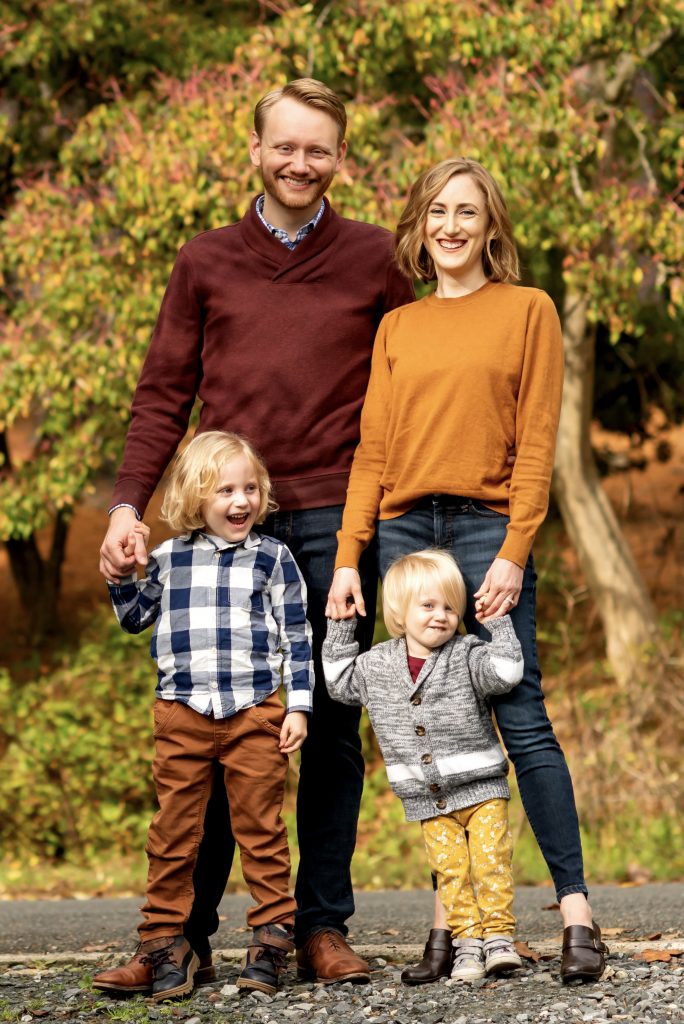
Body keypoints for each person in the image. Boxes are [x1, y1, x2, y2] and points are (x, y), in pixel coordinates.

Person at [96, 78, 415, 992]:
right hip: (222, 525)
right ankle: (181, 937)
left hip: (336, 523)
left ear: (339, 159)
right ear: (256, 150)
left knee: (329, 730)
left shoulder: (373, 260)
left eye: (318, 149)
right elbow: (162, 394)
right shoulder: (204, 263)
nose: (300, 163)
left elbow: (406, 383)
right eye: (285, 146)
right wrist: (128, 506)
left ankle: (316, 928)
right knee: (216, 720)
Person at [327, 157, 608, 985]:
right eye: (438, 211)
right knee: (434, 727)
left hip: (486, 527)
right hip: (405, 527)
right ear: (420, 224)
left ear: (492, 228)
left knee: (520, 716)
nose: (451, 226)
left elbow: (537, 442)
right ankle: (450, 926)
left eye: (469, 213)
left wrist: (516, 550)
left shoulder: (529, 311)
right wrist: (349, 557)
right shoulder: (398, 328)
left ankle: (576, 915)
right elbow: (372, 451)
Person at [96, 431, 313, 1000]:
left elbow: (297, 636)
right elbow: (135, 618)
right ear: (195, 496)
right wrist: (121, 575)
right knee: (172, 834)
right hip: (182, 714)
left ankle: (270, 940)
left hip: (256, 714)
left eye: (249, 489)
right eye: (225, 491)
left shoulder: (274, 558)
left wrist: (300, 706)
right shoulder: (167, 559)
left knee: (260, 830)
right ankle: (164, 944)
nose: (240, 502)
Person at [324, 550, 525, 982]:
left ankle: (499, 939)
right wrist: (341, 627)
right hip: (426, 797)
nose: (441, 616)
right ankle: (468, 943)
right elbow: (339, 683)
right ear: (399, 610)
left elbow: (506, 673)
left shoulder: (468, 652)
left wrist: (499, 623)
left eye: (451, 607)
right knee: (450, 871)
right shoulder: (376, 663)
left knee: (490, 862)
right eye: (428, 606)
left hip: (482, 787)